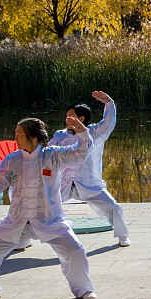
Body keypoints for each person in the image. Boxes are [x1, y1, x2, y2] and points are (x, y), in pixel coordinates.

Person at [0, 116, 97, 299]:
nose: (15, 138)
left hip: (49, 220)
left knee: (75, 251)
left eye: (19, 134)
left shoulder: (53, 155)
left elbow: (80, 152)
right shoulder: (12, 160)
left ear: (33, 138)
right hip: (17, 221)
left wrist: (83, 133)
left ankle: (84, 289)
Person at [48, 91, 130, 247]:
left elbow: (109, 121)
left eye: (70, 116)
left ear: (81, 118)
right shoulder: (59, 135)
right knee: (37, 206)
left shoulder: (95, 132)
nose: (66, 120)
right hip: (63, 184)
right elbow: (48, 154)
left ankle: (123, 236)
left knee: (114, 208)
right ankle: (23, 239)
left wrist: (109, 103)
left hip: (89, 184)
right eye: (66, 116)